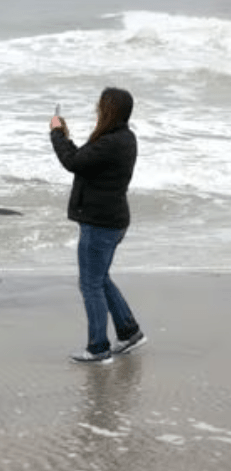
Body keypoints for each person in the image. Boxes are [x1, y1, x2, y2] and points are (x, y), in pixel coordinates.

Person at [49, 87, 147, 364]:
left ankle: (98, 348)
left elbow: (73, 162)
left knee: (90, 283)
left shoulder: (111, 141)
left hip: (101, 224)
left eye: (100, 105)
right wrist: (65, 136)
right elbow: (85, 161)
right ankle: (129, 332)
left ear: (108, 110)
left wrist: (56, 133)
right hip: (112, 221)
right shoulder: (122, 138)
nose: (96, 109)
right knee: (100, 278)